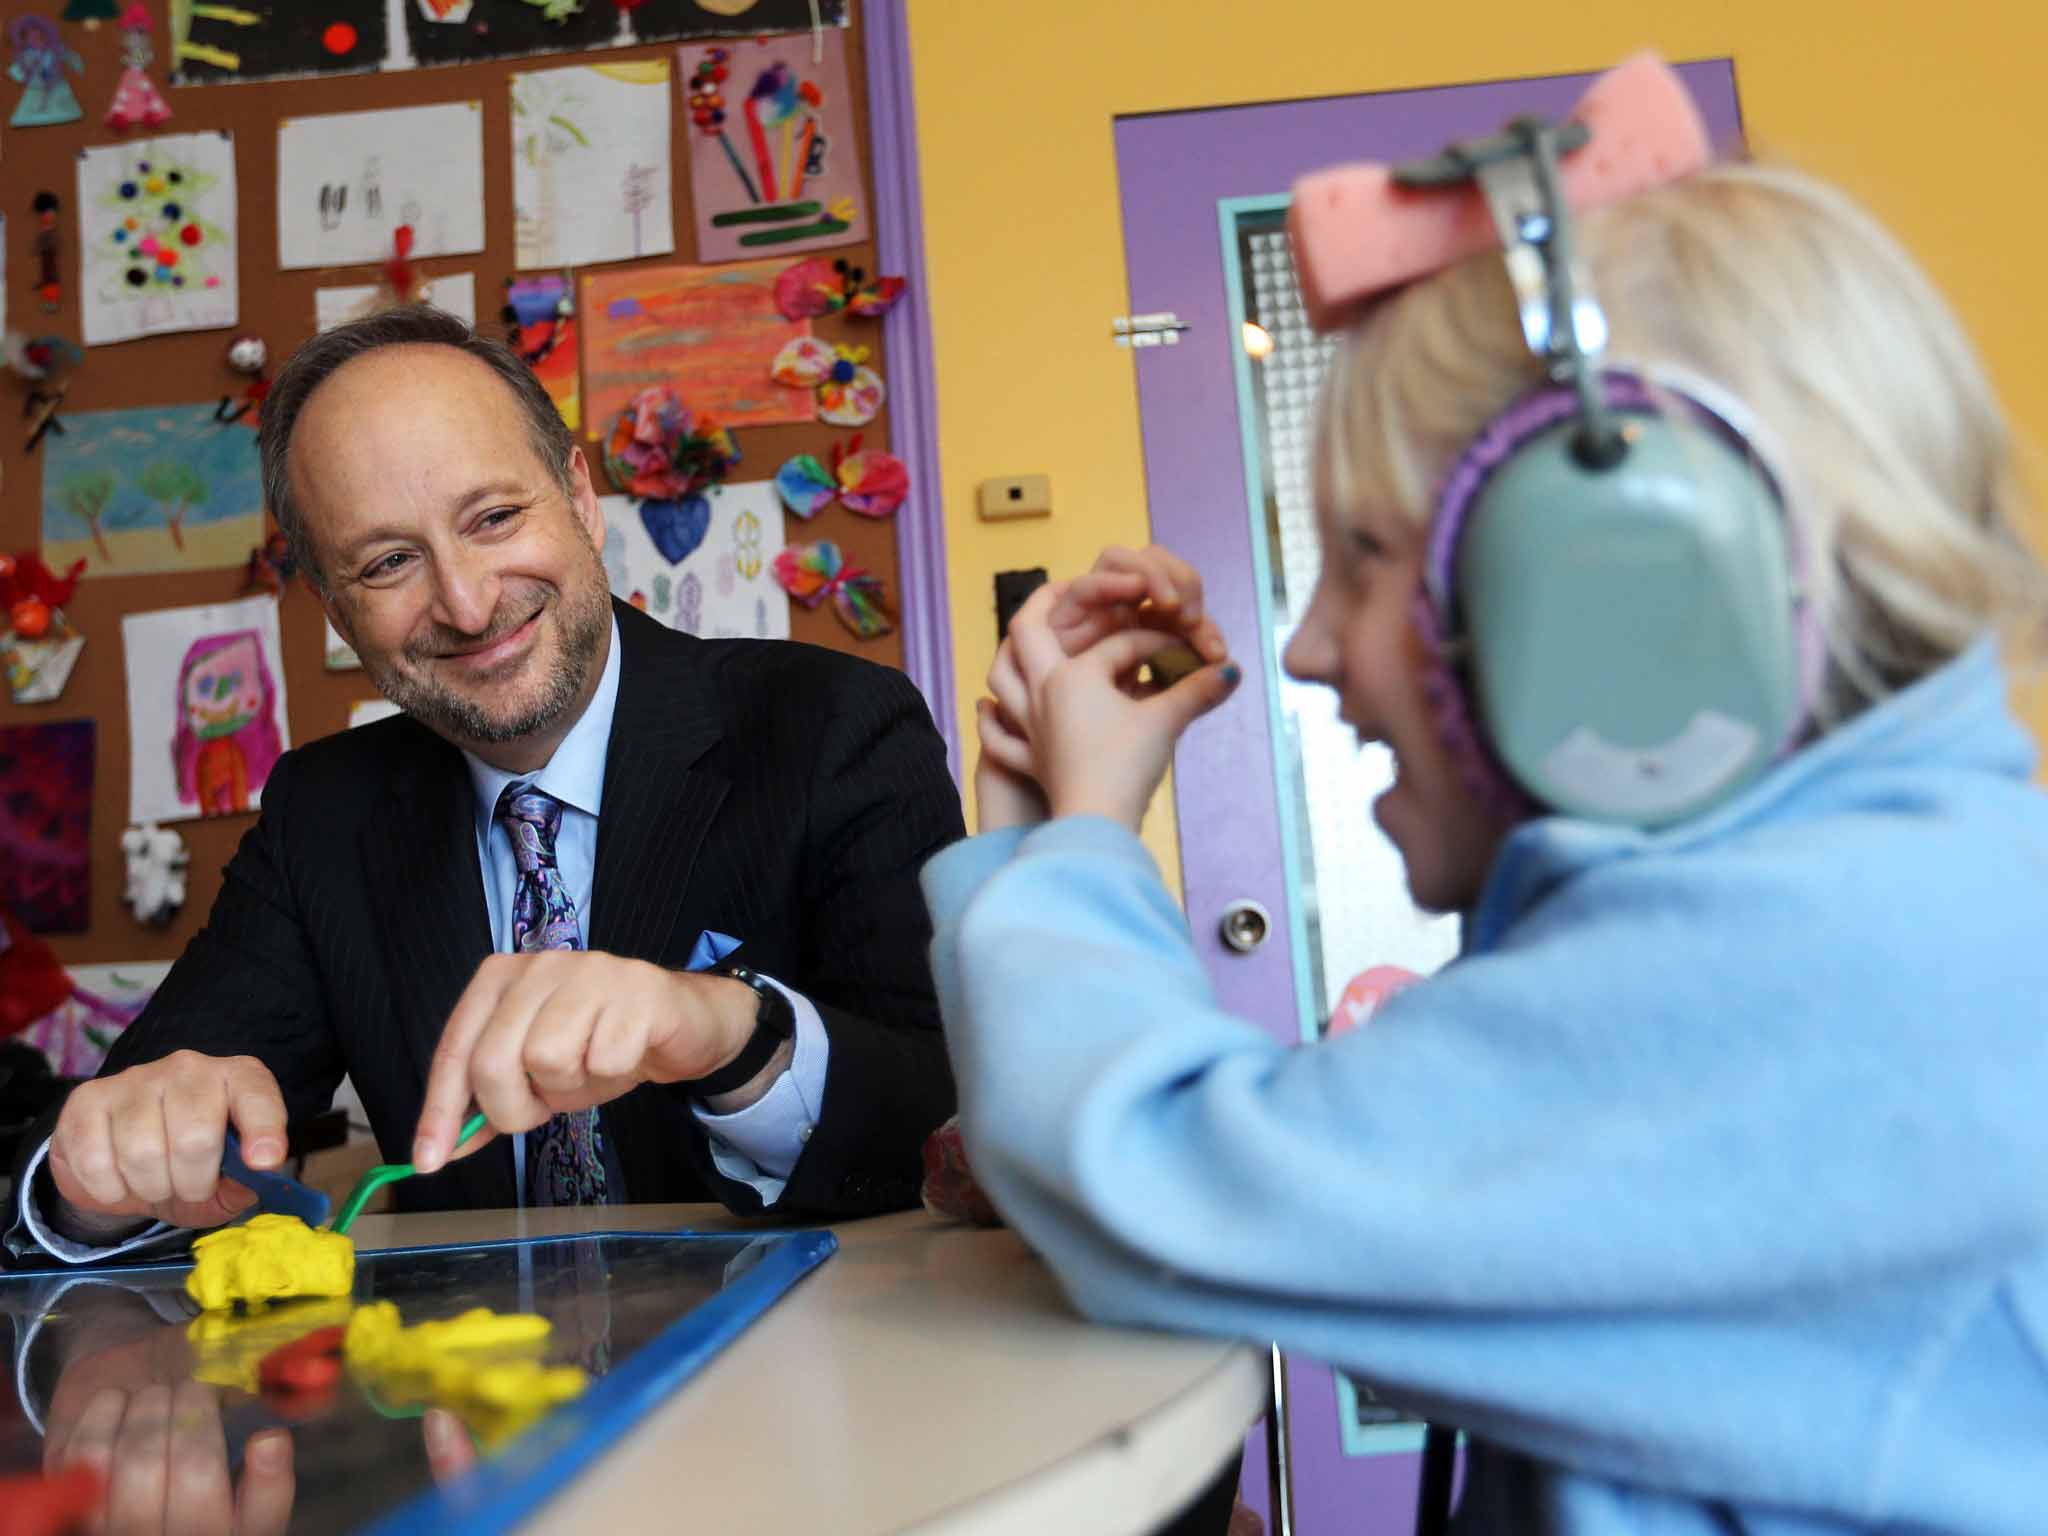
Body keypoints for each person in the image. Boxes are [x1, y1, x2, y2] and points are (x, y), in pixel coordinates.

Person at [924, 72, 2048, 1536]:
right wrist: (1026, 811)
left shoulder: (1829, 975)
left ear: (1627, 593)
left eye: (1368, 558)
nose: (1314, 646)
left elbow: (1142, 1185)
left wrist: (1079, 834)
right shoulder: (1904, 899)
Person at [5, 304, 963, 1268]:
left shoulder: (834, 724)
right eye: (388, 563)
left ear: (580, 498)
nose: (466, 605)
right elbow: (151, 1117)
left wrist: (734, 1034)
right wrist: (94, 1182)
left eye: (495, 518)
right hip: (475, 1396)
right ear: (334, 608)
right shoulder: (322, 814)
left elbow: (945, 1117)